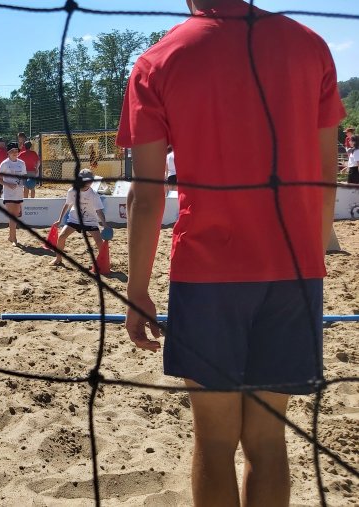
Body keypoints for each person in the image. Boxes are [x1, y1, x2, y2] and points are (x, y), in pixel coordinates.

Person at [118, 1, 344, 506]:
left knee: (215, 442)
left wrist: (136, 290)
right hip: (293, 270)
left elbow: (147, 194)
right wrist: (310, 258)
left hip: (209, 274)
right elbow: (326, 178)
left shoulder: (160, 59)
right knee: (268, 442)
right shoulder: (310, 46)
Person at [50, 168, 108, 266]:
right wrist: (60, 220)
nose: (87, 182)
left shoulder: (94, 195)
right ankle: (58, 259)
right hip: (74, 219)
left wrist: (105, 225)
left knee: (99, 242)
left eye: (89, 180)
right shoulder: (72, 191)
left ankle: (103, 263)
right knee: (61, 237)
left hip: (90, 221)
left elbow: (99, 211)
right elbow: (67, 205)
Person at [0, 142, 27, 245]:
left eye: (16, 151)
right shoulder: (4, 164)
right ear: (8, 153)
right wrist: (8, 184)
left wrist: (22, 181)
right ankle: (14, 239)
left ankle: (11, 237)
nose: (15, 153)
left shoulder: (22, 163)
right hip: (8, 193)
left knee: (15, 216)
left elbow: (24, 177)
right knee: (13, 216)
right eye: (12, 151)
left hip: (19, 193)